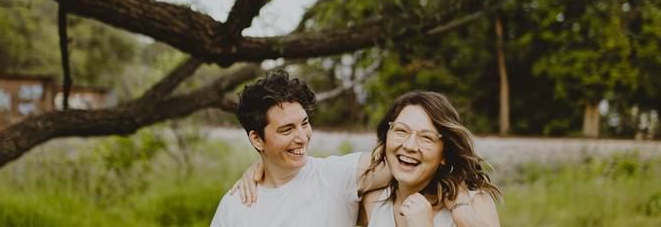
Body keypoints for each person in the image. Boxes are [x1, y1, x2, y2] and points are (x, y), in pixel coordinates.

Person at [210, 69, 390, 227]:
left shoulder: (337, 175)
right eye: (287, 129)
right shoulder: (234, 206)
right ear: (257, 139)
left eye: (304, 124)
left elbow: (403, 161)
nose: (303, 138)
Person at [359, 91, 501, 227]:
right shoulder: (373, 201)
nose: (409, 146)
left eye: (426, 137)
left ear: (444, 154)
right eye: (401, 131)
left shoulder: (474, 205)